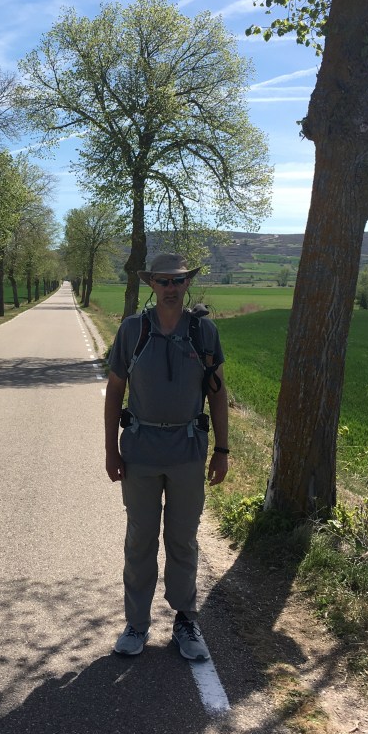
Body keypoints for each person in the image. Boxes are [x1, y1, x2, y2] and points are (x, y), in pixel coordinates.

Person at [104, 252, 229, 660]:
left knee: (183, 540)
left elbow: (218, 393)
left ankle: (185, 621)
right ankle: (136, 624)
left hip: (188, 452)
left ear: (187, 283)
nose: (171, 288)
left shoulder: (203, 332)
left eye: (177, 280)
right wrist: (110, 450)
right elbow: (115, 391)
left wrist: (222, 450)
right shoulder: (133, 330)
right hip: (140, 452)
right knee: (140, 540)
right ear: (151, 285)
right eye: (163, 281)